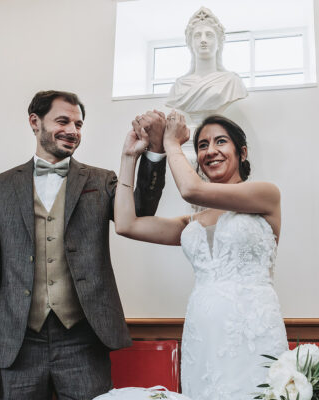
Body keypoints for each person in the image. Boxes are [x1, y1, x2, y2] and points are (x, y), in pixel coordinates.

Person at [0, 90, 167, 399]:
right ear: (35, 122)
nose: (73, 131)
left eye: (79, 124)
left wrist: (152, 154)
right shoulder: (1, 186)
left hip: (83, 341)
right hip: (17, 344)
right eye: (63, 121)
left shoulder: (102, 181)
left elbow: (140, 212)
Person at [114, 111, 288, 400]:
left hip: (254, 331)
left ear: (242, 152)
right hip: (203, 333)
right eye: (202, 145)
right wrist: (129, 157)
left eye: (220, 141)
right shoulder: (191, 223)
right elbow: (126, 224)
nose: (210, 151)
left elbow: (191, 189)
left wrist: (171, 143)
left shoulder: (265, 195)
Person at [166, 7, 248, 120]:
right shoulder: (179, 86)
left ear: (219, 43)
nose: (203, 40)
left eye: (209, 35)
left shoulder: (232, 82)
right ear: (190, 44)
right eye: (197, 35)